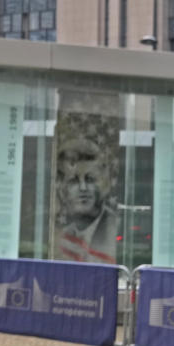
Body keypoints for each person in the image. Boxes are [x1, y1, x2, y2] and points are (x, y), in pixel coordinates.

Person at [53, 110, 120, 264]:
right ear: (62, 188)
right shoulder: (66, 232)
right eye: (74, 181)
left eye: (90, 179)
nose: (83, 188)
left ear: (104, 182)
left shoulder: (113, 227)